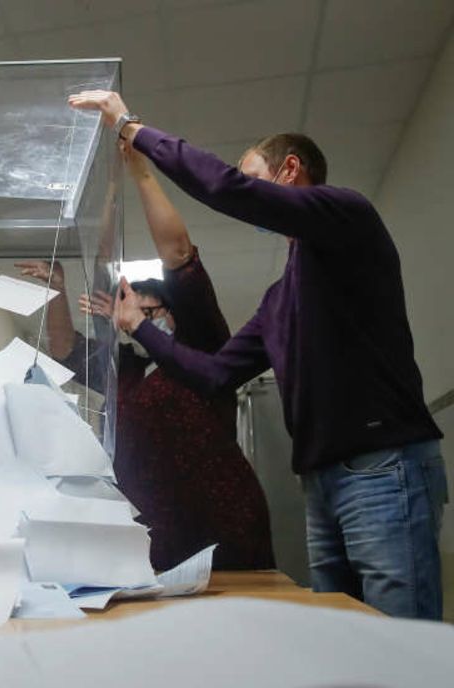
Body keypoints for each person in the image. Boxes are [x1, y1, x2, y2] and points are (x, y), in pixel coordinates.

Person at [67, 90, 447, 619]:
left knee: (401, 636)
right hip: (321, 481)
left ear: (290, 170)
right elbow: (218, 373)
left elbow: (227, 190)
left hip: (382, 469)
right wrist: (139, 327)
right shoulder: (278, 299)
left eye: (254, 176)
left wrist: (130, 126)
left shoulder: (346, 215)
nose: (247, 191)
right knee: (348, 635)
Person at [17, 143, 274, 572]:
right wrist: (56, 289)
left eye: (147, 310)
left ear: (172, 312)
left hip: (220, 522)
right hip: (151, 533)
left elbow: (179, 254)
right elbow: (65, 350)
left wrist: (141, 173)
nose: (134, 318)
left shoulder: (202, 347)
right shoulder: (130, 371)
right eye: (131, 312)